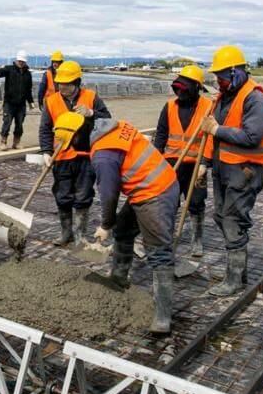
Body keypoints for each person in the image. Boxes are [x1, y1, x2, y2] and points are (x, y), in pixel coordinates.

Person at [56, 112, 179, 334]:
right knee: (123, 230)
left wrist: (105, 225)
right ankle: (119, 278)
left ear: (78, 134)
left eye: (72, 142)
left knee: (158, 253)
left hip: (155, 193)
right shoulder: (108, 127)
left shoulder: (103, 156)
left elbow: (109, 195)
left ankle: (163, 317)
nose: (74, 147)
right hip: (153, 182)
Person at [198, 46, 263, 297]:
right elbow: (213, 135)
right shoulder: (224, 96)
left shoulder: (255, 98)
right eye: (216, 77)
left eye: (221, 76)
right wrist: (205, 164)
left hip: (244, 172)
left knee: (232, 221)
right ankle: (238, 270)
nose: (217, 81)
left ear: (236, 72)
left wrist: (216, 130)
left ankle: (234, 280)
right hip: (223, 169)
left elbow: (251, 136)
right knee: (221, 217)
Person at [38, 60, 110, 246]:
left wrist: (92, 113)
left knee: (83, 196)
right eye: (60, 83)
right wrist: (46, 151)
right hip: (61, 156)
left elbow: (108, 121)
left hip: (86, 157)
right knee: (62, 196)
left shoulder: (91, 97)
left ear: (77, 82)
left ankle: (80, 236)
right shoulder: (51, 101)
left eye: (67, 84)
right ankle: (66, 233)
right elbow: (45, 129)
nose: (63, 87)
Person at [153, 64, 212, 256]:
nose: (180, 92)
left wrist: (204, 162)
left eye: (184, 88)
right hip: (171, 163)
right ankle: (167, 237)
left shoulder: (208, 107)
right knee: (169, 202)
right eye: (178, 88)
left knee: (196, 202)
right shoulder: (169, 106)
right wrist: (156, 161)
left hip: (196, 165)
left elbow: (211, 138)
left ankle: (197, 240)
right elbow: (161, 134)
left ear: (196, 87)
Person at [0, 51, 34, 150]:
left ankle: (16, 143)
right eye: (19, 61)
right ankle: (3, 142)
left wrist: (31, 102)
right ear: (16, 60)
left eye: (23, 61)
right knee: (7, 122)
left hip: (21, 104)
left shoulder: (28, 74)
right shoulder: (9, 69)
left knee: (19, 124)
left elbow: (28, 90)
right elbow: (2, 71)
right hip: (9, 103)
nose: (21, 63)